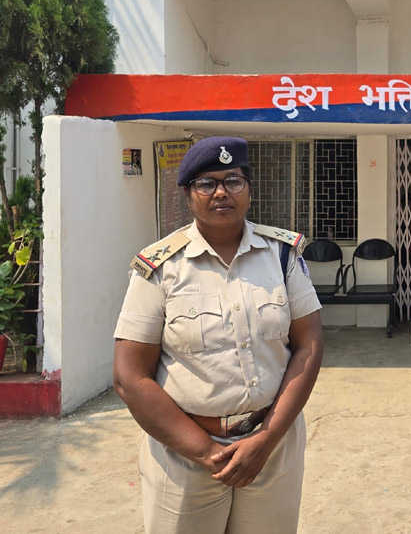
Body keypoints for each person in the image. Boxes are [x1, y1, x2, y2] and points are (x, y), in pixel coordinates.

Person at [112, 136, 324, 534]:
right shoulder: (161, 267)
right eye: (206, 183)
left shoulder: (282, 255)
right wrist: (207, 452)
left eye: (233, 180)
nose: (221, 192)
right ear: (188, 194)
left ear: (249, 188)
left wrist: (266, 439)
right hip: (184, 456)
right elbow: (130, 377)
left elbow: (308, 346)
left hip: (272, 443)